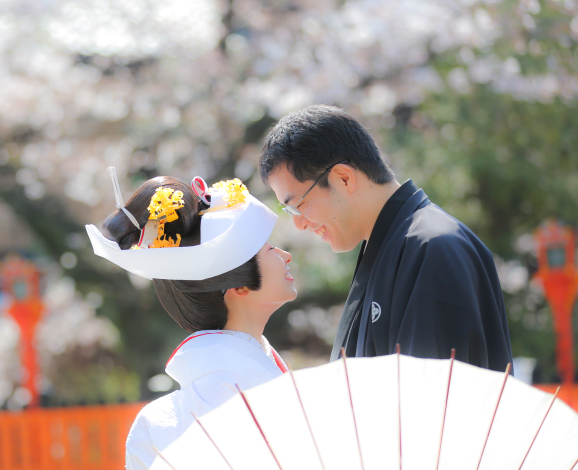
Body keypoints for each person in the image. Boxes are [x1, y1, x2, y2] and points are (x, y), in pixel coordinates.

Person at [259, 105, 513, 372]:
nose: (299, 223)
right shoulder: (391, 246)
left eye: (299, 204)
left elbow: (433, 398)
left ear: (343, 178)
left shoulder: (434, 247)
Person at [86, 169, 296, 470]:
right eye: (272, 249)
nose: (286, 255)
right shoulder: (221, 388)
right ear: (239, 286)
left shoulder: (226, 378)